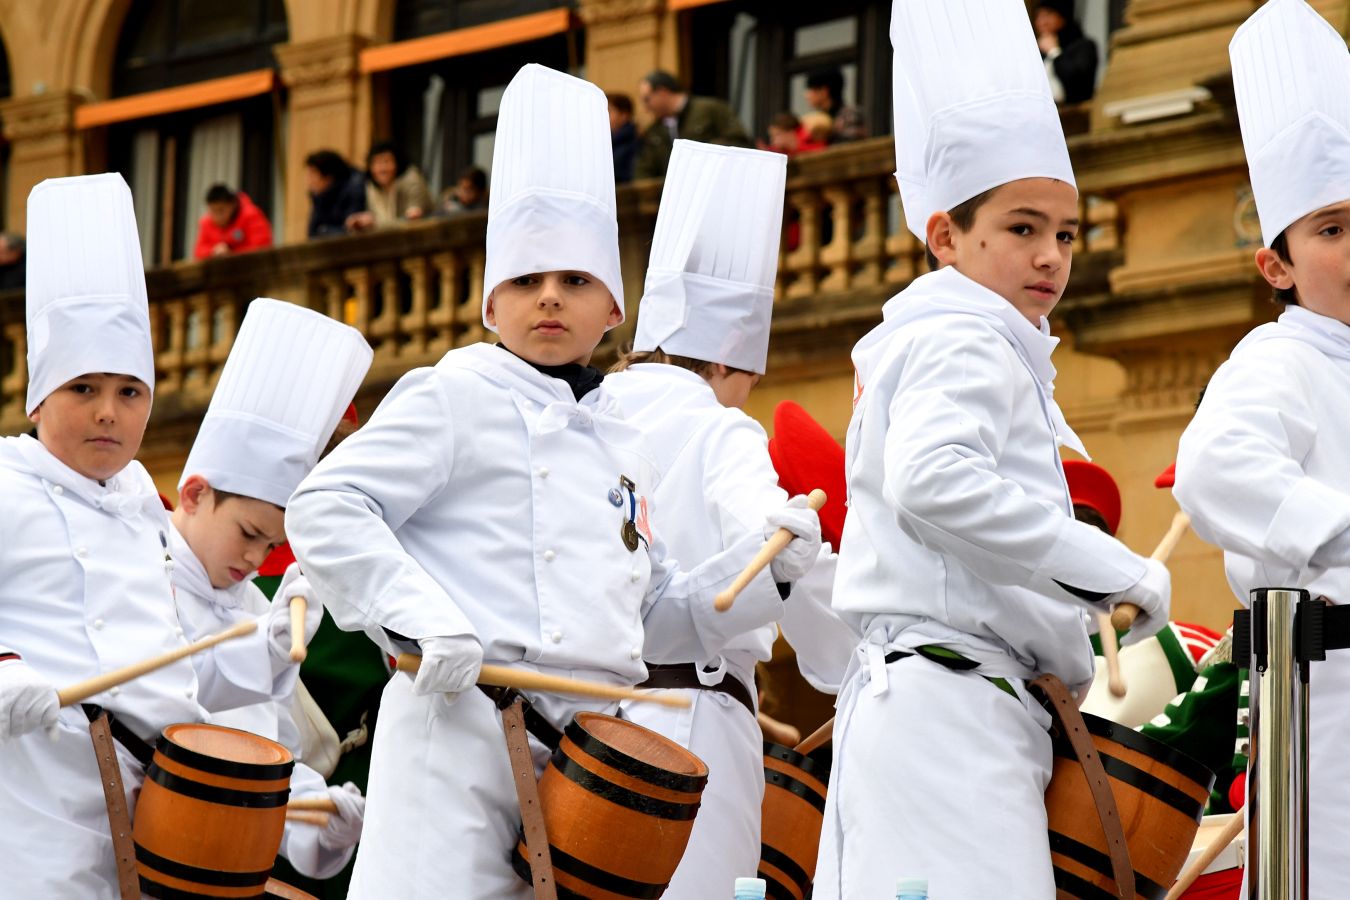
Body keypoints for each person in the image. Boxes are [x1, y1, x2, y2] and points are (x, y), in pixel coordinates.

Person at [284, 64, 820, 899]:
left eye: (575, 282)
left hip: (585, 763)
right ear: (491, 305)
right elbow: (325, 506)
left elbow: (655, 615)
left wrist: (768, 569)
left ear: (613, 310)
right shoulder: (452, 391)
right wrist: (424, 620)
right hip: (455, 743)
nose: (550, 301)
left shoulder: (621, 436)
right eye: (528, 283)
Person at [814, 3, 1170, 897]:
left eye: (1065, 232)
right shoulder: (963, 334)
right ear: (945, 236)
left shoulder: (984, 341)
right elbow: (933, 481)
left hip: (958, 704)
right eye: (1022, 228)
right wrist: (1115, 572)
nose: (1051, 254)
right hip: (948, 707)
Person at [607, 140, 848, 899]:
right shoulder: (721, 426)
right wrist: (859, 657)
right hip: (693, 724)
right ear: (733, 362)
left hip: (576, 723)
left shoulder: (584, 413)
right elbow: (774, 540)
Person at [1174, 2, 1350, 895]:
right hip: (1328, 691)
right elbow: (1215, 469)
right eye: (1331, 229)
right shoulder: (1279, 357)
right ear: (1275, 266)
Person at [0, 173, 204, 897]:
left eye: (129, 392)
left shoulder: (145, 502)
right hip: (33, 819)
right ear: (37, 398)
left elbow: (179, 675)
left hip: (160, 827)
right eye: (82, 389)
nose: (108, 413)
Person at [169, 297, 373, 880]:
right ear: (194, 494)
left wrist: (323, 822)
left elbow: (270, 759)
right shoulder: (133, 570)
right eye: (250, 535)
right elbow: (167, 698)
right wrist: (259, 651)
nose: (259, 559)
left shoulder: (256, 603)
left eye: (272, 543)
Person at [634, 70, 752, 179]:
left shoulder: (711, 109)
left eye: (647, 99)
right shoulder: (654, 131)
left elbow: (740, 144)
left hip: (717, 186)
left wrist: (704, 157)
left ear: (662, 92)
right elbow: (644, 171)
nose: (646, 108)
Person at [347, 141, 432, 232]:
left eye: (387, 161)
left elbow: (412, 222)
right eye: (377, 163)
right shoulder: (372, 186)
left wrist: (374, 223)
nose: (382, 169)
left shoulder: (412, 182)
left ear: (397, 163)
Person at [1035, 0, 1099, 105]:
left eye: (1047, 15)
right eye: (1039, 17)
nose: (1042, 22)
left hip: (1073, 116)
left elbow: (1077, 81)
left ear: (1062, 16)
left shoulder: (1083, 46)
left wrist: (1054, 52)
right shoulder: (1038, 53)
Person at [193, 183, 273, 259]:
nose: (217, 216)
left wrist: (231, 253)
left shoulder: (251, 216)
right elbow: (199, 252)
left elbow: (261, 248)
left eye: (221, 210)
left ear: (232, 205)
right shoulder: (206, 222)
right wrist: (213, 251)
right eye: (213, 211)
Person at [305, 149, 366, 239]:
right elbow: (312, 234)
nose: (308, 180)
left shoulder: (355, 189)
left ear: (329, 177)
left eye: (313, 174)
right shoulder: (319, 195)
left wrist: (324, 230)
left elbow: (350, 231)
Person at [804, 66, 868, 144]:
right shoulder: (815, 119)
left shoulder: (850, 115)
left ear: (824, 91)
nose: (806, 95)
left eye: (810, 89)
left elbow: (851, 147)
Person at [608, 92, 639, 183]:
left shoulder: (635, 143)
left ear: (623, 115)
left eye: (609, 111)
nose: (603, 116)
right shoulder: (602, 143)